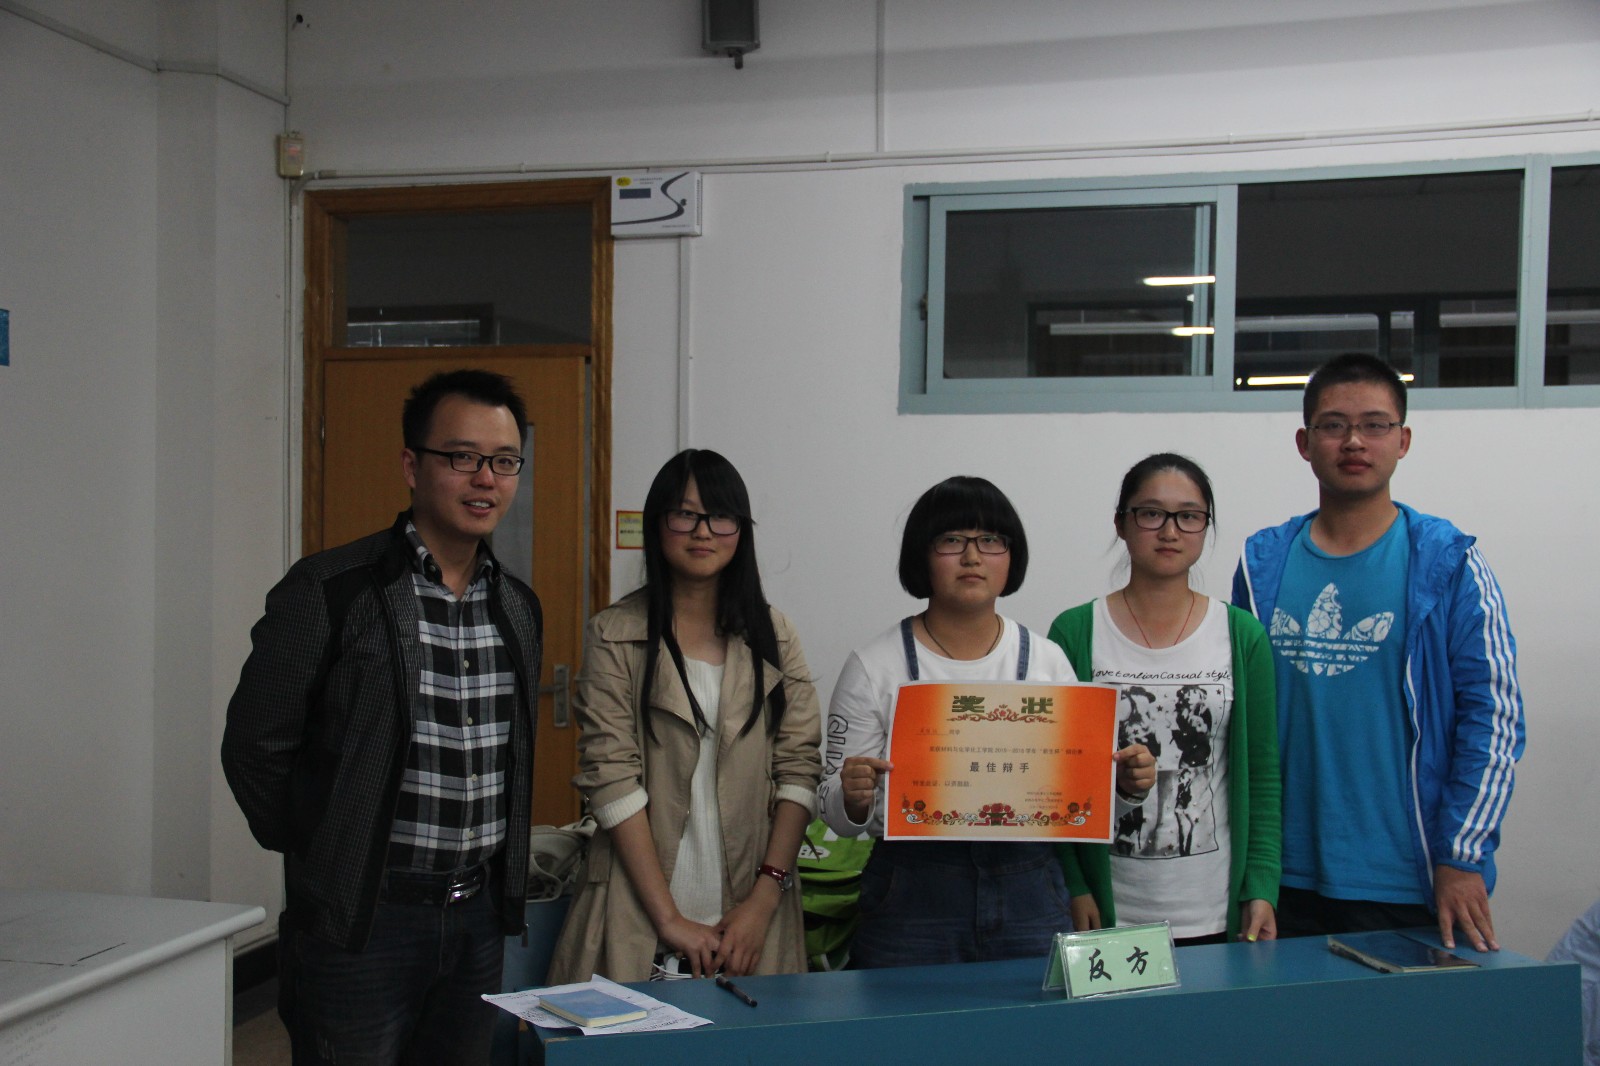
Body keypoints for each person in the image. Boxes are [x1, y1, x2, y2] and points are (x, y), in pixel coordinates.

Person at [221, 369, 543, 1065]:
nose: (485, 479)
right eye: (462, 456)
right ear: (411, 465)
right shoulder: (330, 590)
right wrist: (321, 845)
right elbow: (254, 744)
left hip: (476, 919)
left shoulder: (517, 607)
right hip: (365, 919)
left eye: (504, 461)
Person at [1232, 353, 1524, 952]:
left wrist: (1461, 855)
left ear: (1403, 440)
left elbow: (1495, 716)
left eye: (1375, 424)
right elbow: (1236, 716)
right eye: (1333, 425)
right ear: (1304, 443)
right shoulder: (1261, 566)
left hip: (1409, 880)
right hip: (1278, 880)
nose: (1354, 441)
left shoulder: (1449, 562)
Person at [817, 476, 1155, 968]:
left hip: (1029, 886)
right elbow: (833, 811)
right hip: (912, 893)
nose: (972, 557)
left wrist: (1124, 786)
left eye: (991, 540)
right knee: (904, 1018)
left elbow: (1077, 801)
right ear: (922, 554)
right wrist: (851, 797)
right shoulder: (874, 665)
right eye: (952, 540)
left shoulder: (1046, 661)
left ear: (1011, 556)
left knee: (1027, 1018)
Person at [546, 449, 822, 983]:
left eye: (720, 516)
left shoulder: (775, 635)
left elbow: (799, 769)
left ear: (741, 529)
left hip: (753, 913)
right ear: (658, 523)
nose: (703, 531)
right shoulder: (614, 634)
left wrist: (765, 897)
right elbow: (611, 778)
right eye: (685, 514)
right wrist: (669, 919)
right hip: (637, 908)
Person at [1049, 454, 1280, 945]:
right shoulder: (1075, 632)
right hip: (1110, 908)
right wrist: (1075, 884)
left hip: (1212, 908)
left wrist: (1261, 886)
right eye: (1151, 513)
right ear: (1121, 523)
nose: (1170, 531)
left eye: (1189, 516)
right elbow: (1054, 778)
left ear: (1205, 527)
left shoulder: (1242, 635)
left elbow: (1262, 776)